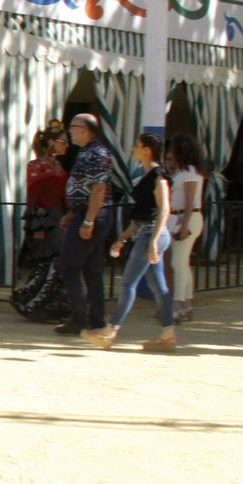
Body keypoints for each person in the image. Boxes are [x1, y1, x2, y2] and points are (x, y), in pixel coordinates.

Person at [82, 133, 178, 351]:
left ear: (146, 150)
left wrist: (153, 240)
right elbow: (143, 214)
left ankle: (111, 329)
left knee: (128, 283)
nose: (134, 149)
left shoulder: (158, 177)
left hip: (152, 234)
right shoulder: (148, 176)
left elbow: (164, 209)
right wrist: (123, 238)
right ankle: (168, 333)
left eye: (137, 145)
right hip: (149, 232)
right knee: (157, 285)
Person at [53, 113, 113, 334]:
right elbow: (85, 187)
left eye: (73, 127)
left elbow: (98, 189)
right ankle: (96, 319)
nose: (70, 132)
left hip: (93, 215)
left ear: (85, 130)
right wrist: (73, 212)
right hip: (86, 212)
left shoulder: (97, 153)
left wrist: (88, 220)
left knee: (69, 265)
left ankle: (79, 317)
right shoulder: (86, 152)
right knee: (92, 269)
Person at [11, 124, 71, 322]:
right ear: (52, 142)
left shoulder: (59, 166)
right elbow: (34, 199)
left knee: (58, 264)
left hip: (61, 219)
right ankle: (33, 303)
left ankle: (50, 306)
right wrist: (36, 227)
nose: (67, 145)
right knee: (47, 264)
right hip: (46, 221)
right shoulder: (35, 166)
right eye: (63, 141)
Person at [164, 132, 205, 319]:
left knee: (178, 263)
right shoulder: (186, 171)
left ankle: (178, 303)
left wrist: (184, 224)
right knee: (183, 262)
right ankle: (186, 303)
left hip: (186, 218)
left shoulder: (189, 172)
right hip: (182, 217)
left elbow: (190, 201)